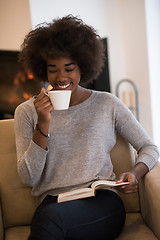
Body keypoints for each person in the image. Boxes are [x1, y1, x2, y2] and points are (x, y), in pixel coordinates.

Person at [14, 15, 159, 240]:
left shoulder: (107, 103)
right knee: (51, 219)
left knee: (51, 221)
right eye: (53, 69)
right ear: (43, 70)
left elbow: (149, 147)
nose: (61, 77)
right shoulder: (27, 111)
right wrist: (43, 124)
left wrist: (134, 173)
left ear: (84, 65)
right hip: (53, 203)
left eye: (69, 68)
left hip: (101, 201)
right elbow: (29, 178)